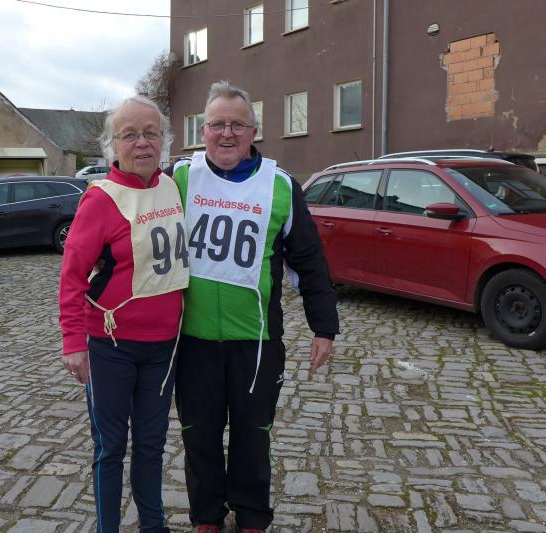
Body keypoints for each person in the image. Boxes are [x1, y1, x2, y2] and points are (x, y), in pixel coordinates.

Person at [169, 81, 340, 532]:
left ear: (253, 131)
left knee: (252, 434)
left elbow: (309, 261)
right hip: (193, 340)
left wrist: (324, 327)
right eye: (217, 124)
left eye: (237, 125)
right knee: (199, 434)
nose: (227, 133)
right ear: (202, 132)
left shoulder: (280, 186)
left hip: (257, 341)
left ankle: (252, 515)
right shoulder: (179, 178)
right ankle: (207, 515)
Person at [58, 95, 189, 533]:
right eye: (129, 135)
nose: (142, 142)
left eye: (151, 133)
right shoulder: (100, 200)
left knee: (151, 445)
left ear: (164, 140)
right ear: (112, 145)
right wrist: (73, 342)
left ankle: (153, 525)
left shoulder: (171, 186)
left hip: (163, 348)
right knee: (110, 448)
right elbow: (72, 277)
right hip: (110, 347)